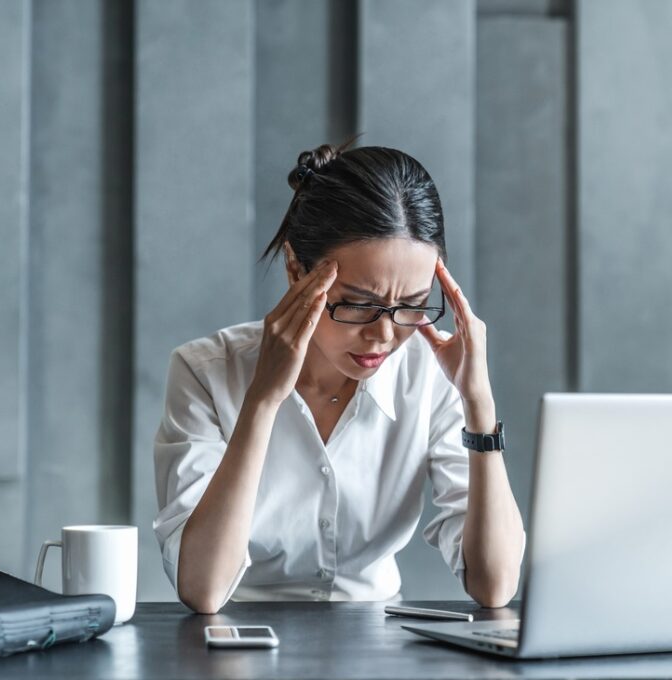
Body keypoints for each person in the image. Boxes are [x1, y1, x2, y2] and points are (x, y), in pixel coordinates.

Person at [153, 140, 525, 614]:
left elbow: (495, 586)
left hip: (382, 647)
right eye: (358, 303)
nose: (384, 334)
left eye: (412, 305)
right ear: (296, 269)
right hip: (240, 641)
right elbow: (203, 590)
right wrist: (263, 401)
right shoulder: (204, 372)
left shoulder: (431, 379)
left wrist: (479, 404)